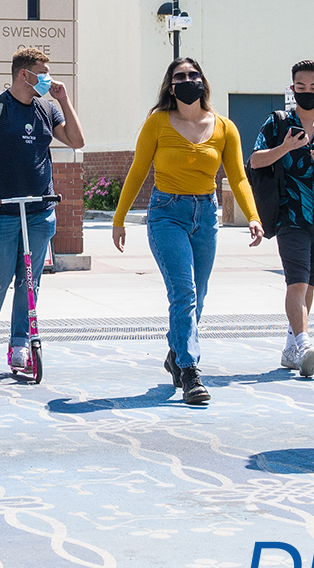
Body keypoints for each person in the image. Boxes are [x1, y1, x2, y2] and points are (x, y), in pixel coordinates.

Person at [111, 57, 264, 405]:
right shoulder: (158, 123)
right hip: (167, 214)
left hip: (206, 215)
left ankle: (176, 352)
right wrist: (119, 219)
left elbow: (237, 176)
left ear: (203, 83)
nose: (188, 80)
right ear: (170, 86)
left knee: (200, 294)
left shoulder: (225, 127)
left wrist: (252, 216)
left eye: (193, 75)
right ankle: (190, 371)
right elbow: (137, 172)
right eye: (180, 76)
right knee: (184, 292)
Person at [0, 45, 86, 375]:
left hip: (39, 210)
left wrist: (63, 99)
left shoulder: (47, 109)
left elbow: (76, 141)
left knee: (29, 281)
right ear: (24, 74)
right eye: (42, 73)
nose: (48, 78)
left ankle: (19, 344)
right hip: (3, 212)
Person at [249, 60, 314, 376]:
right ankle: (304, 343)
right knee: (297, 282)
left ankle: (292, 345)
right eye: (301, 87)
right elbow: (255, 160)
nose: (307, 92)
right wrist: (285, 147)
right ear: (293, 89)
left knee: (311, 286)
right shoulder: (278, 124)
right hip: (290, 216)